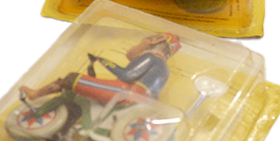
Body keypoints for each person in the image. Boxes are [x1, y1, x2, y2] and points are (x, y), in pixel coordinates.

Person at [20, 32, 182, 102]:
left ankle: (36, 94)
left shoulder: (151, 57)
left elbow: (126, 75)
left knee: (71, 78)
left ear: (155, 41)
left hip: (124, 94)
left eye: (149, 39)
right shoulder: (164, 68)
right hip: (137, 100)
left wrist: (101, 60)